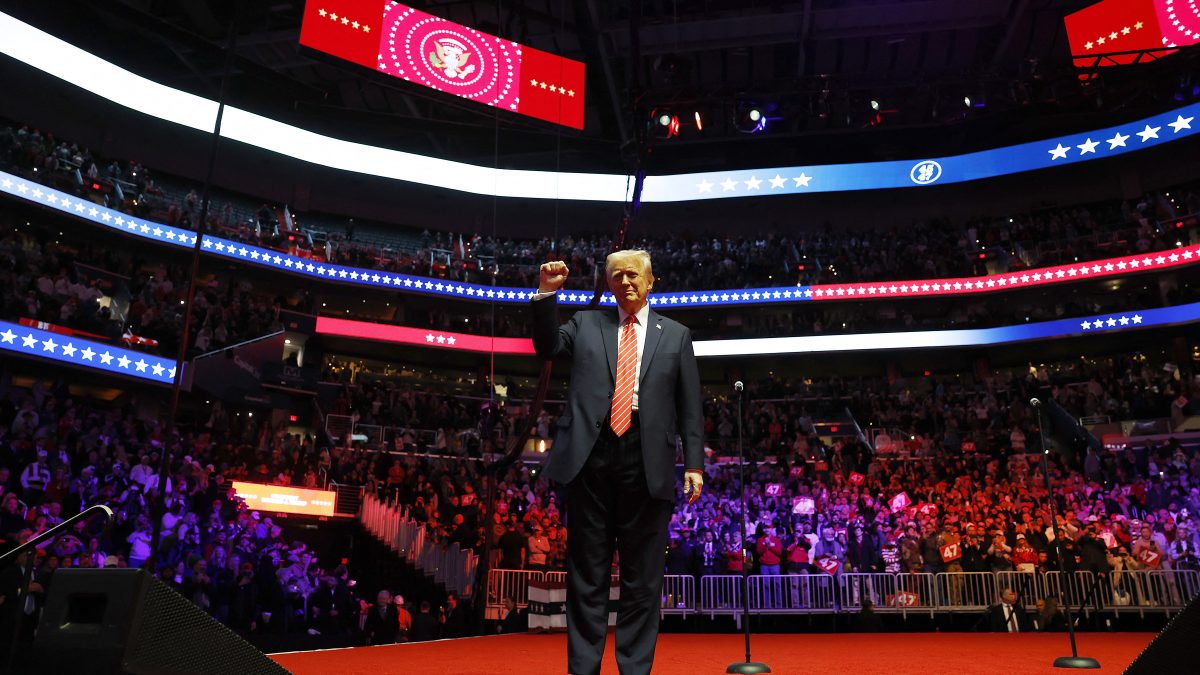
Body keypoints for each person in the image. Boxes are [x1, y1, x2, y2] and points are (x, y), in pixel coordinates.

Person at [532, 252, 704, 675]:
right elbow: (546, 346)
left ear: (651, 283)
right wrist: (545, 295)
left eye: (633, 275)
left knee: (642, 581)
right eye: (616, 275)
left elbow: (690, 407)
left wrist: (694, 464)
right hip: (589, 457)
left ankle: (634, 669)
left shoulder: (677, 335)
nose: (625, 281)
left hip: (649, 459)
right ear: (608, 283)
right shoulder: (585, 323)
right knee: (586, 577)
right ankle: (583, 670)